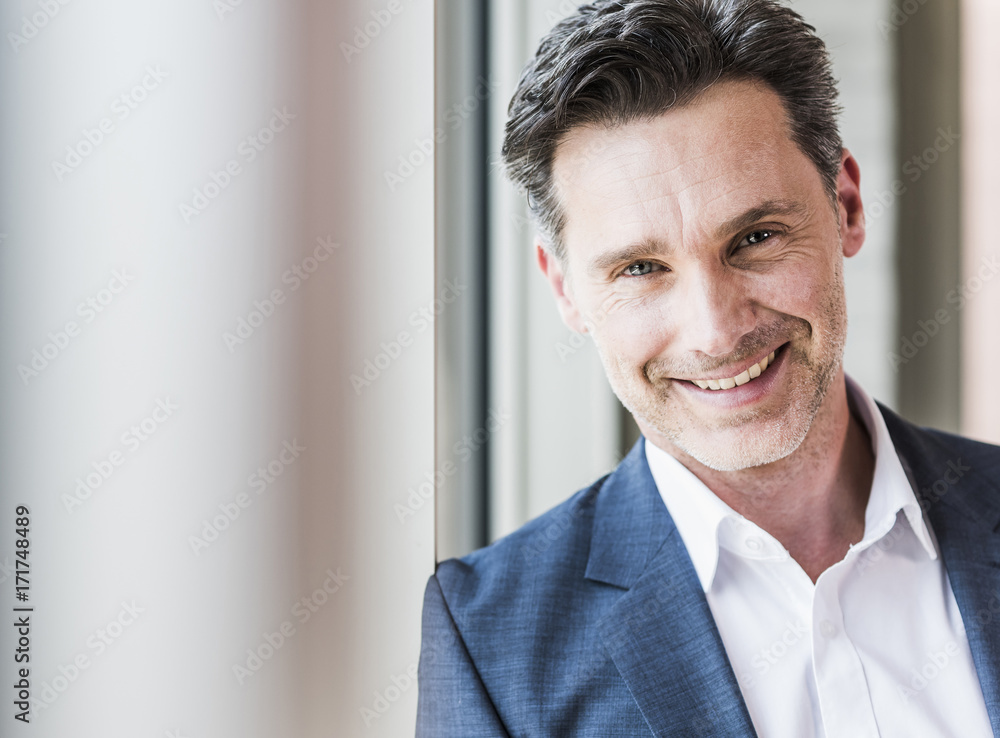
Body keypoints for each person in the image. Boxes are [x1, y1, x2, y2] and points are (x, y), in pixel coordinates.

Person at [416, 1, 1000, 736]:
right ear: (566, 289)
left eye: (756, 236)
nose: (718, 330)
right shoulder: (490, 645)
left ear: (846, 206)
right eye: (639, 268)